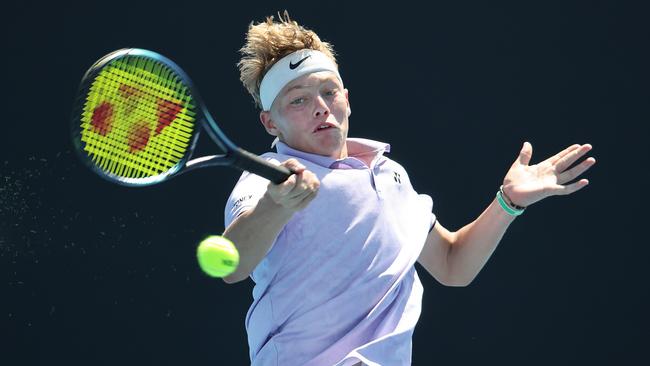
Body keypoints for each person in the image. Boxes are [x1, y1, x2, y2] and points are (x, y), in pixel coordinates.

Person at [222, 12, 596, 366]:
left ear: (347, 99)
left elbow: (453, 265)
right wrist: (277, 205)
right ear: (270, 123)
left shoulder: (390, 175)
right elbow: (233, 266)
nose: (321, 108)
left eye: (329, 92)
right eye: (299, 100)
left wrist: (508, 201)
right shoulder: (269, 177)